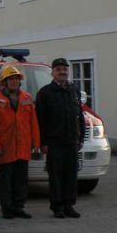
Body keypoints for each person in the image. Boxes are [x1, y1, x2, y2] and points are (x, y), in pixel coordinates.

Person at [0, 65, 41, 219]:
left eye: (16, 78)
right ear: (4, 82)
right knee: (6, 182)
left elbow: (33, 124)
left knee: (21, 180)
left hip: (23, 148)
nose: (14, 81)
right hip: (6, 148)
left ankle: (19, 207)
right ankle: (7, 209)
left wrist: (36, 144)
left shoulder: (27, 98)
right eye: (11, 79)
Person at [35, 58, 85, 219]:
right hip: (54, 142)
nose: (62, 72)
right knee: (55, 177)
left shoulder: (74, 91)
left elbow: (80, 117)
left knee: (71, 175)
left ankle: (69, 205)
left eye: (65, 69)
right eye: (59, 69)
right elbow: (40, 120)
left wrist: (81, 138)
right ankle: (57, 207)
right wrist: (43, 142)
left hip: (72, 141)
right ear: (53, 72)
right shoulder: (45, 93)